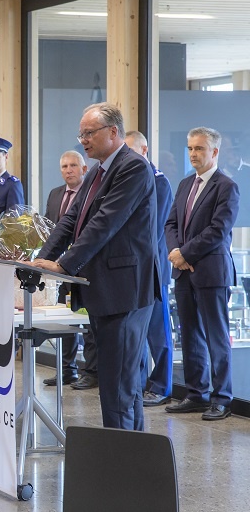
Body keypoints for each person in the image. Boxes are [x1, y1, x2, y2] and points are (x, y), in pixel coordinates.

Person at [33, 102, 160, 431]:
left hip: (126, 291)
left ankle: (121, 465)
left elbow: (105, 224)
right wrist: (42, 259)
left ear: (113, 132)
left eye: (89, 133)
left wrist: (62, 265)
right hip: (105, 290)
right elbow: (70, 219)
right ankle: (131, 456)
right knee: (119, 382)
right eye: (81, 134)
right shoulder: (98, 171)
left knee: (118, 385)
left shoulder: (134, 168)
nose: (83, 140)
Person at [164, 127, 240, 421]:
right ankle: (197, 394)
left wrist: (185, 253)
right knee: (190, 335)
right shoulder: (184, 184)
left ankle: (222, 399)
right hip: (183, 272)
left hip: (211, 272)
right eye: (190, 149)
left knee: (216, 337)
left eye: (199, 149)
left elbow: (218, 231)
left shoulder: (226, 186)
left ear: (214, 152)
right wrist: (175, 252)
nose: (194, 154)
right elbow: (171, 223)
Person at [124, 131, 174, 407]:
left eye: (132, 151)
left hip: (152, 268)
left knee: (158, 331)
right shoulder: (133, 178)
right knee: (137, 332)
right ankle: (140, 383)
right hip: (134, 268)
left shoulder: (159, 181)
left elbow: (153, 231)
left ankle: (161, 385)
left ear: (144, 149)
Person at [42, 150, 94, 388]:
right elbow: (48, 227)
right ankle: (67, 369)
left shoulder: (91, 193)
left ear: (84, 169)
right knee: (64, 320)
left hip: (84, 265)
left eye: (73, 165)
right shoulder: (55, 194)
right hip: (57, 268)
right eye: (64, 166)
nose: (68, 170)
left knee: (86, 320)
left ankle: (91, 371)